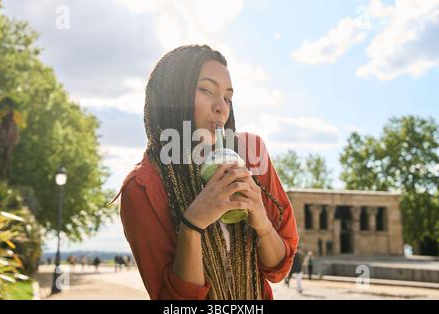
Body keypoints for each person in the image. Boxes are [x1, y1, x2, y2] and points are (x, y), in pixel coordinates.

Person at [110, 45, 299, 300]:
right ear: (172, 96)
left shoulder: (251, 154)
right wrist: (192, 225)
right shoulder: (141, 187)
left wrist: (261, 220)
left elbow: (277, 269)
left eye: (228, 97)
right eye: (207, 90)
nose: (221, 107)